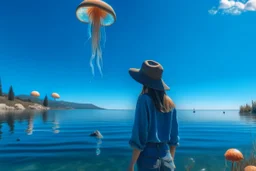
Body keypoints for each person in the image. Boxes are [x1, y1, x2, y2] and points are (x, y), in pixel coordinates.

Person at [127, 60, 179, 171]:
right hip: (167, 158)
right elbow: (174, 138)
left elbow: (140, 134)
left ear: (143, 81)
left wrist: (131, 165)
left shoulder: (144, 99)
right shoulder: (170, 103)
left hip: (148, 159)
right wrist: (171, 160)